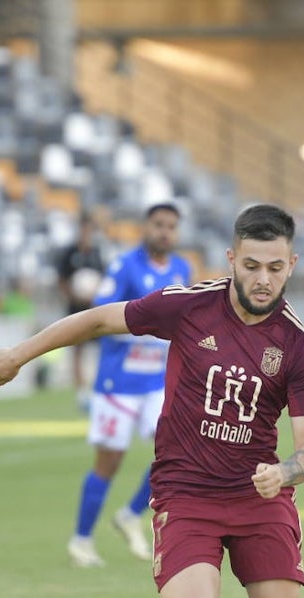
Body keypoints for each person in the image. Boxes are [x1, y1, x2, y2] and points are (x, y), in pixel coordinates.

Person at [0, 204, 304, 598]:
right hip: (186, 491)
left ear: (291, 265)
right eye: (251, 265)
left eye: (275, 266)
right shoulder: (190, 305)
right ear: (231, 260)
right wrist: (20, 355)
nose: (263, 278)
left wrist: (287, 472)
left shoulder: (297, 346)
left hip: (257, 496)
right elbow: (98, 320)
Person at [66, 202, 191, 569]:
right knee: (109, 461)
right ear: (145, 227)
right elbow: (101, 313)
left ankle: (130, 513)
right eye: (158, 224)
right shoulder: (125, 266)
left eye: (171, 225)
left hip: (156, 381)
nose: (165, 231)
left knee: (176, 451)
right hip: (118, 382)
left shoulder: (182, 268)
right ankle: (81, 539)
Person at [55, 211, 107, 405]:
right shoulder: (69, 253)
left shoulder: (96, 253)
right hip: (75, 307)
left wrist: (97, 296)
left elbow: (104, 279)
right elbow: (61, 280)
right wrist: (73, 295)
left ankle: (99, 387)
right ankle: (81, 392)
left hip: (94, 307)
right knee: (78, 348)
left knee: (102, 347)